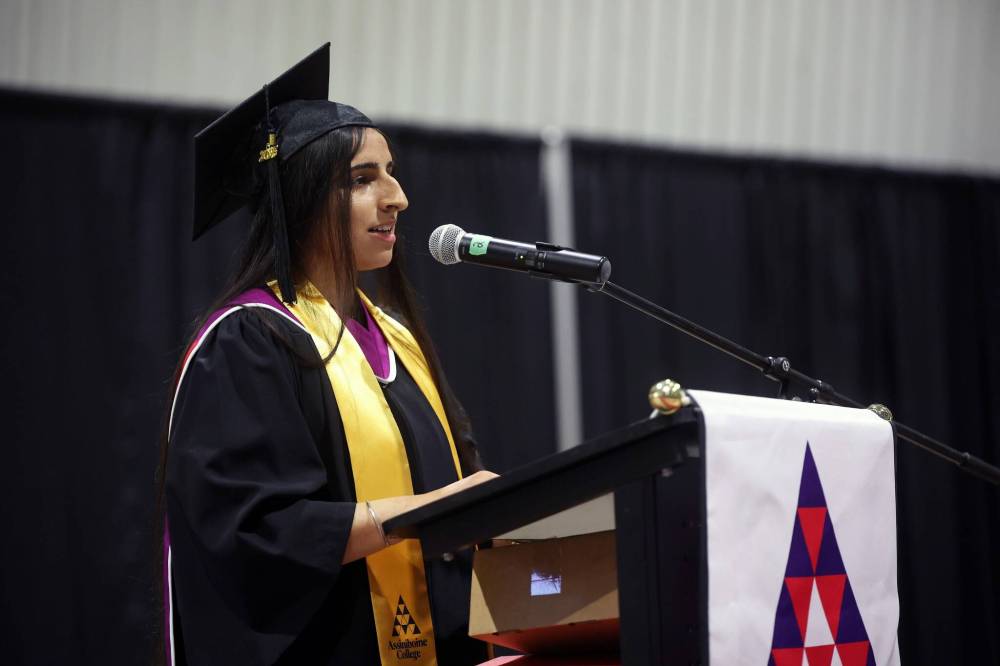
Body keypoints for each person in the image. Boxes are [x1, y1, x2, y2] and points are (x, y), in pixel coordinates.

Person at [158, 44, 496, 666]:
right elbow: (256, 536)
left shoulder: (398, 340)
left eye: (391, 172)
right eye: (363, 179)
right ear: (302, 199)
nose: (397, 197)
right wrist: (429, 511)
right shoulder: (250, 341)